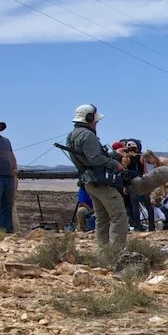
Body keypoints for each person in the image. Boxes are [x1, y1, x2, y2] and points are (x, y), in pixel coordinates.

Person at [64, 104, 127, 253]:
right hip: (101, 182)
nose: (96, 123)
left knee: (101, 217)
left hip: (89, 182)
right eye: (95, 120)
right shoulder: (88, 135)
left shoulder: (72, 135)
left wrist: (114, 154)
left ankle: (103, 252)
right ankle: (115, 252)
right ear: (89, 118)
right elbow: (94, 158)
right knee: (118, 215)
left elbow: (88, 158)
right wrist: (115, 163)